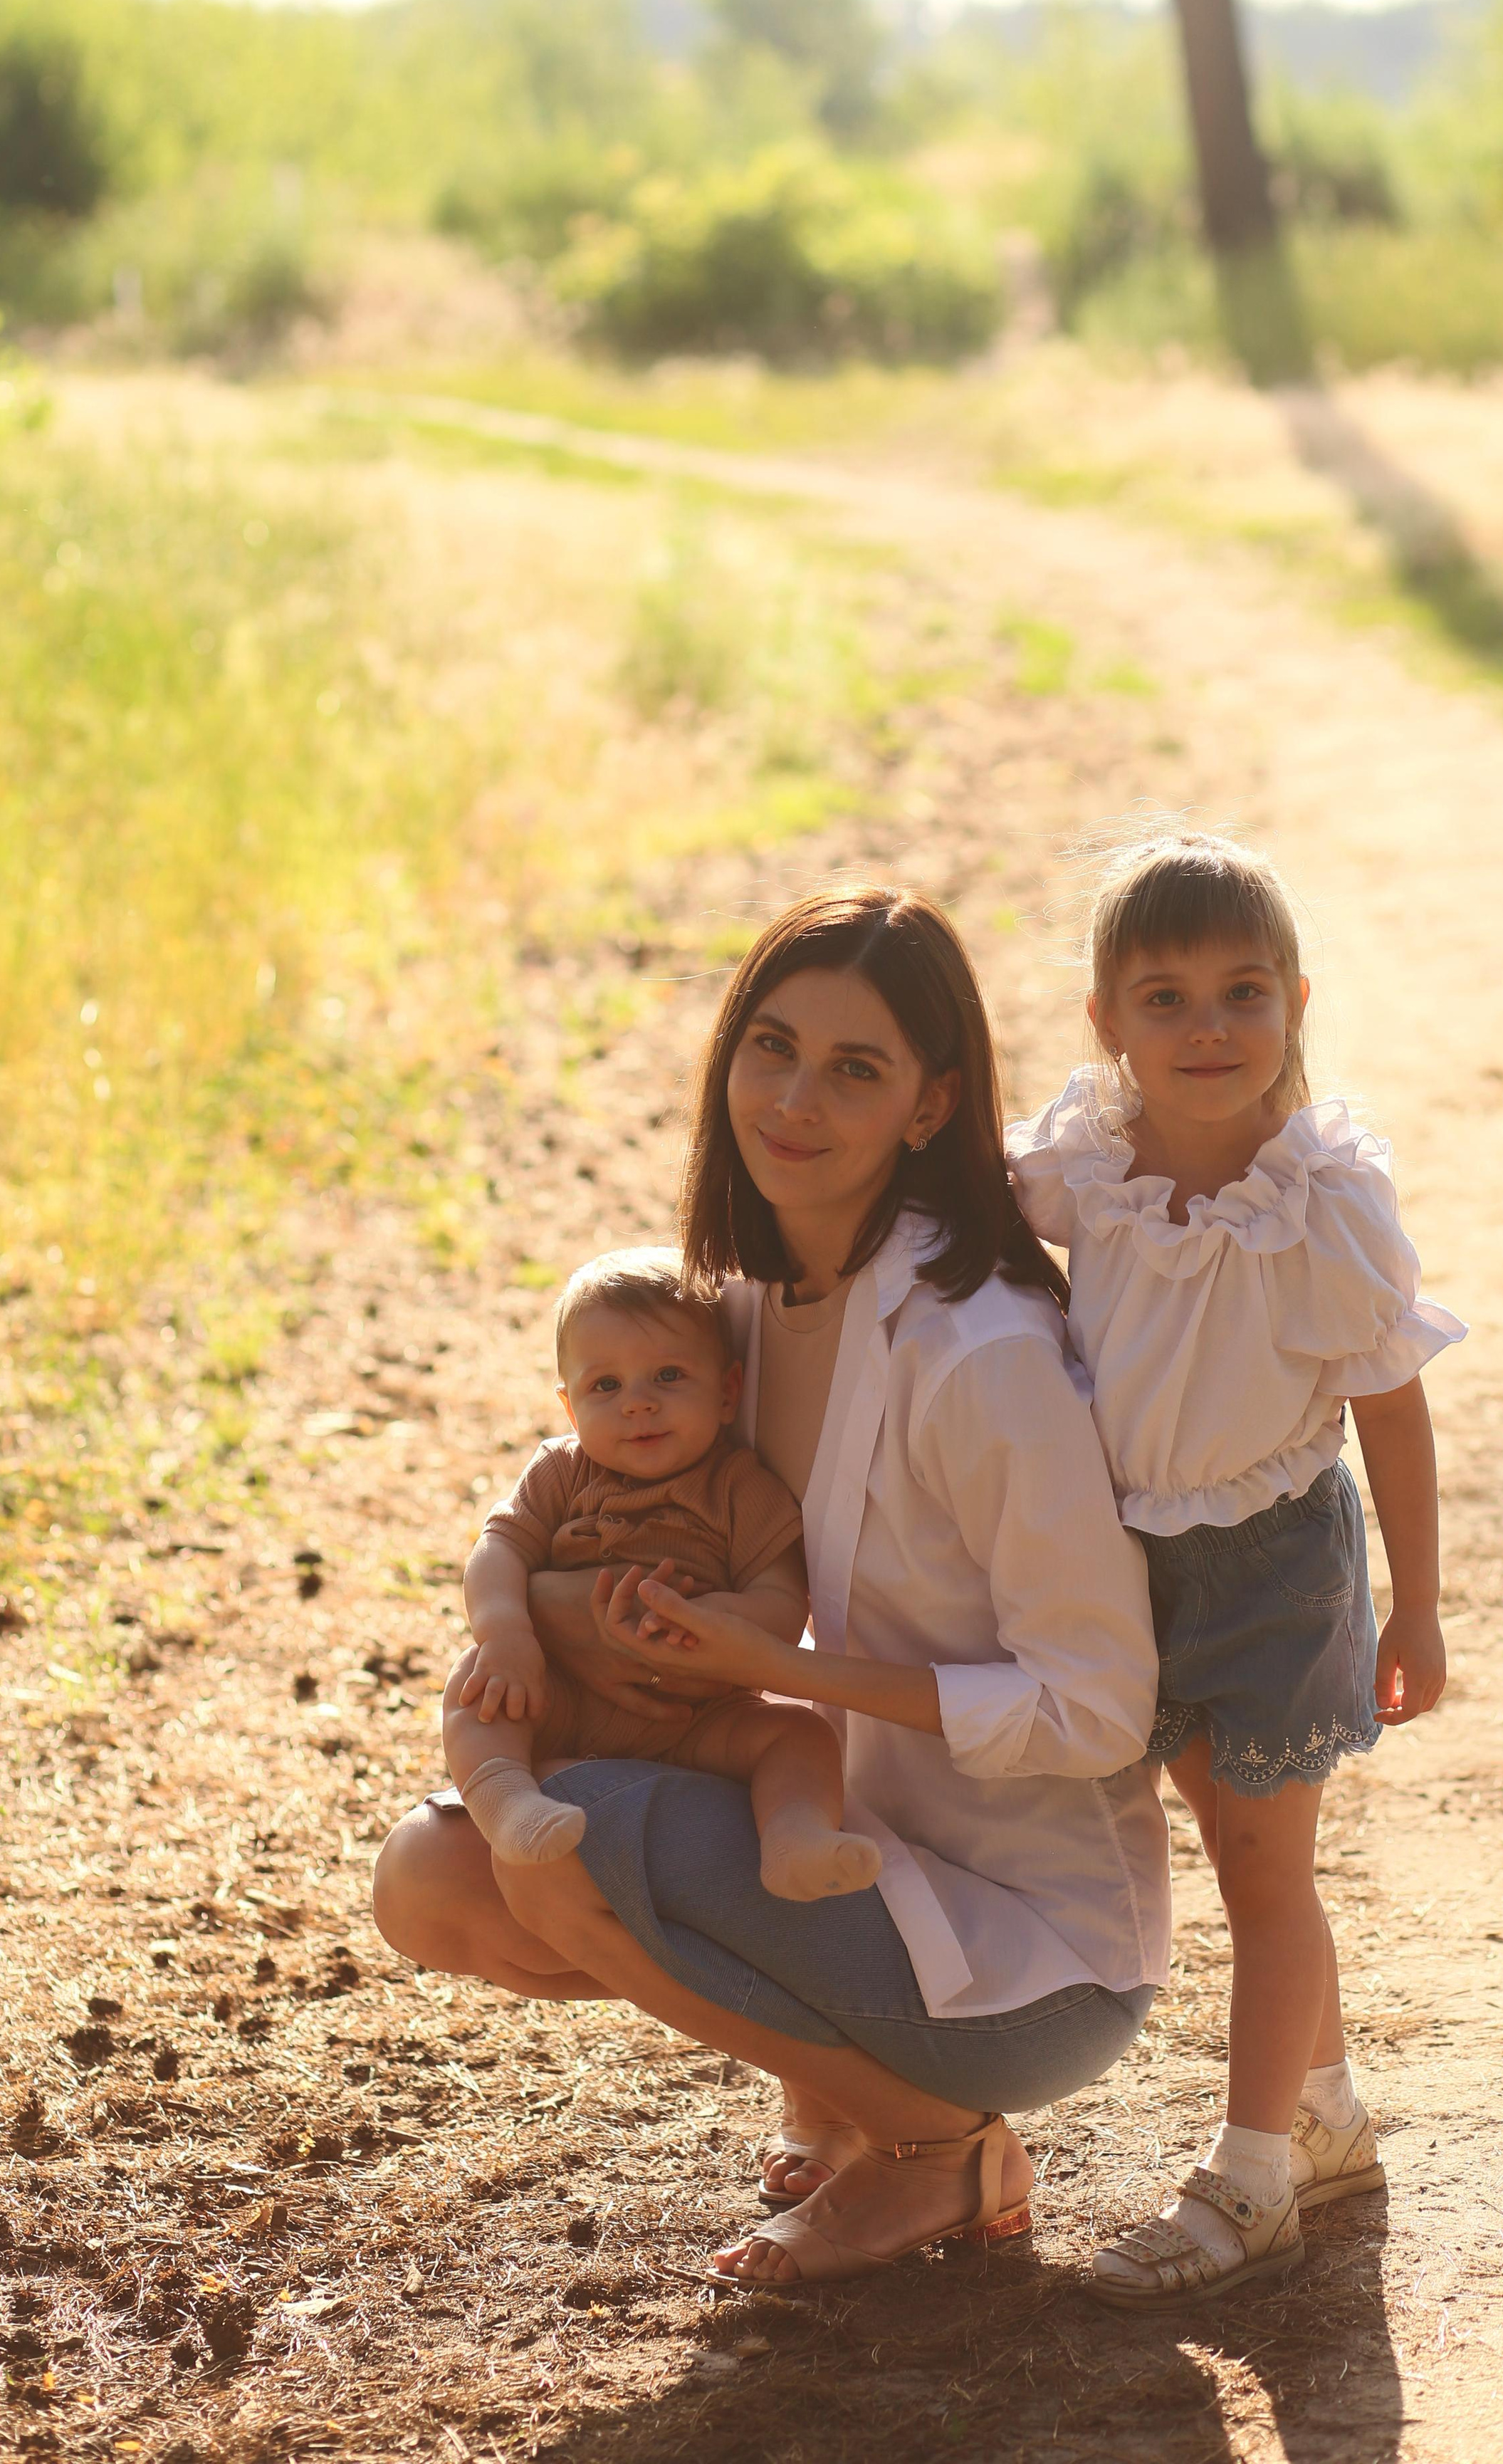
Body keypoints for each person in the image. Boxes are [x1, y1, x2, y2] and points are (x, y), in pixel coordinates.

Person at [374, 885, 1170, 2288]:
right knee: (439, 1877)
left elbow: (1098, 1710)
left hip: (1033, 1954)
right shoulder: (740, 1305)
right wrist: (551, 1621)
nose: (793, 1099)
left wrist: (793, 1675)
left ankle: (933, 2149)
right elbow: (592, 1519)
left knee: (566, 1831)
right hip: (844, 1850)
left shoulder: (977, 1354)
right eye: (770, 1046)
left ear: (927, 1107)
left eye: (853, 1069)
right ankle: (847, 2104)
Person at [1007, 828, 1464, 2309]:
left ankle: (1250, 2174)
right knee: (1223, 1846)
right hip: (1125, 1559)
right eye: (1163, 998)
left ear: (1294, 1003)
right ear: (1104, 1024)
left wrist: (1419, 1603)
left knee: (1267, 1878)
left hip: (1272, 1565)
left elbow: (1389, 1405)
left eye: (1241, 992)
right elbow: (955, 1211)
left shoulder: (1323, 1201)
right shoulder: (1086, 1167)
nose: (1206, 1027)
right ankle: (1323, 2112)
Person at [443, 1243, 884, 1902]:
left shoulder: (741, 1487)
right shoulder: (562, 1471)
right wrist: (507, 1632)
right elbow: (498, 1548)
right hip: (563, 1697)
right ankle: (509, 1805)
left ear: (728, 1391)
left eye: (669, 1376)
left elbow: (783, 1604)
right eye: (606, 1386)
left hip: (698, 1715)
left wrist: (713, 1623)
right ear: (570, 1409)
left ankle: (796, 1841)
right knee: (476, 1690)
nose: (639, 1404)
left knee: (798, 1734)